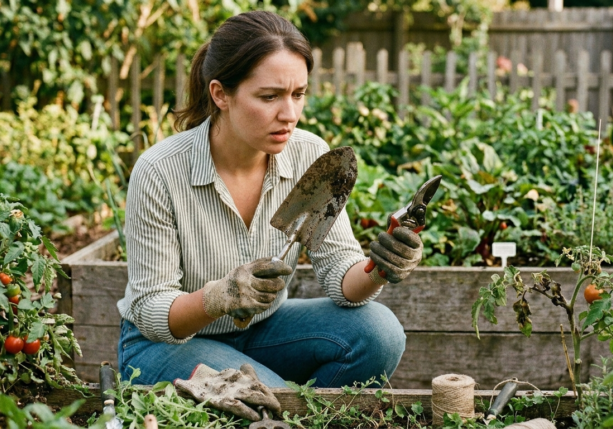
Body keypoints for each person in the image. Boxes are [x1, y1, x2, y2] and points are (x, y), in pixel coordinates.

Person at [116, 10, 426, 390]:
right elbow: (151, 309)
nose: (290, 114)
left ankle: (295, 411)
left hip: (262, 331)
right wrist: (218, 298)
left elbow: (340, 273)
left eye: (298, 94)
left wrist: (378, 268)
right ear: (220, 94)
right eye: (270, 97)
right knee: (266, 394)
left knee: (380, 334)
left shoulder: (309, 155)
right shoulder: (161, 170)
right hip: (166, 345)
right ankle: (284, 406)